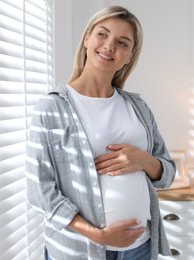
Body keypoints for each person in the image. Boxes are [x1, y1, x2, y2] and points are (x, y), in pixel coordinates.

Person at [26, 5, 176, 260]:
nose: (109, 46)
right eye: (102, 34)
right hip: (80, 249)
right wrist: (97, 234)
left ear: (129, 56)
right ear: (87, 38)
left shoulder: (137, 107)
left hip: (140, 246)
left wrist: (144, 160)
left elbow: (168, 173)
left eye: (122, 42)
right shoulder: (52, 107)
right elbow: (40, 190)